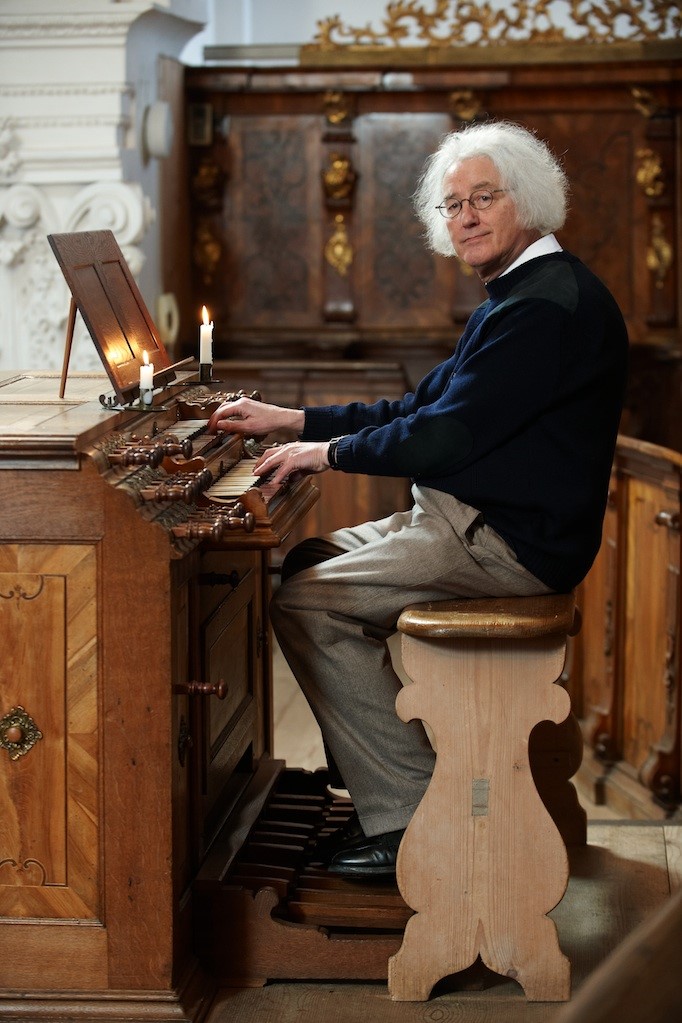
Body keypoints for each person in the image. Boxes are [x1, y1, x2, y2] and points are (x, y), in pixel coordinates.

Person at [207, 119, 628, 879]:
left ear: (526, 201)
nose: (464, 217)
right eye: (452, 205)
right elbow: (417, 409)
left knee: (303, 603)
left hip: (503, 542)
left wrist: (324, 454)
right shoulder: (518, 294)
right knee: (309, 558)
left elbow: (442, 440)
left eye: (482, 199)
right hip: (467, 521)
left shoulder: (542, 308)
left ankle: (411, 821)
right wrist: (296, 422)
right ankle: (375, 774)